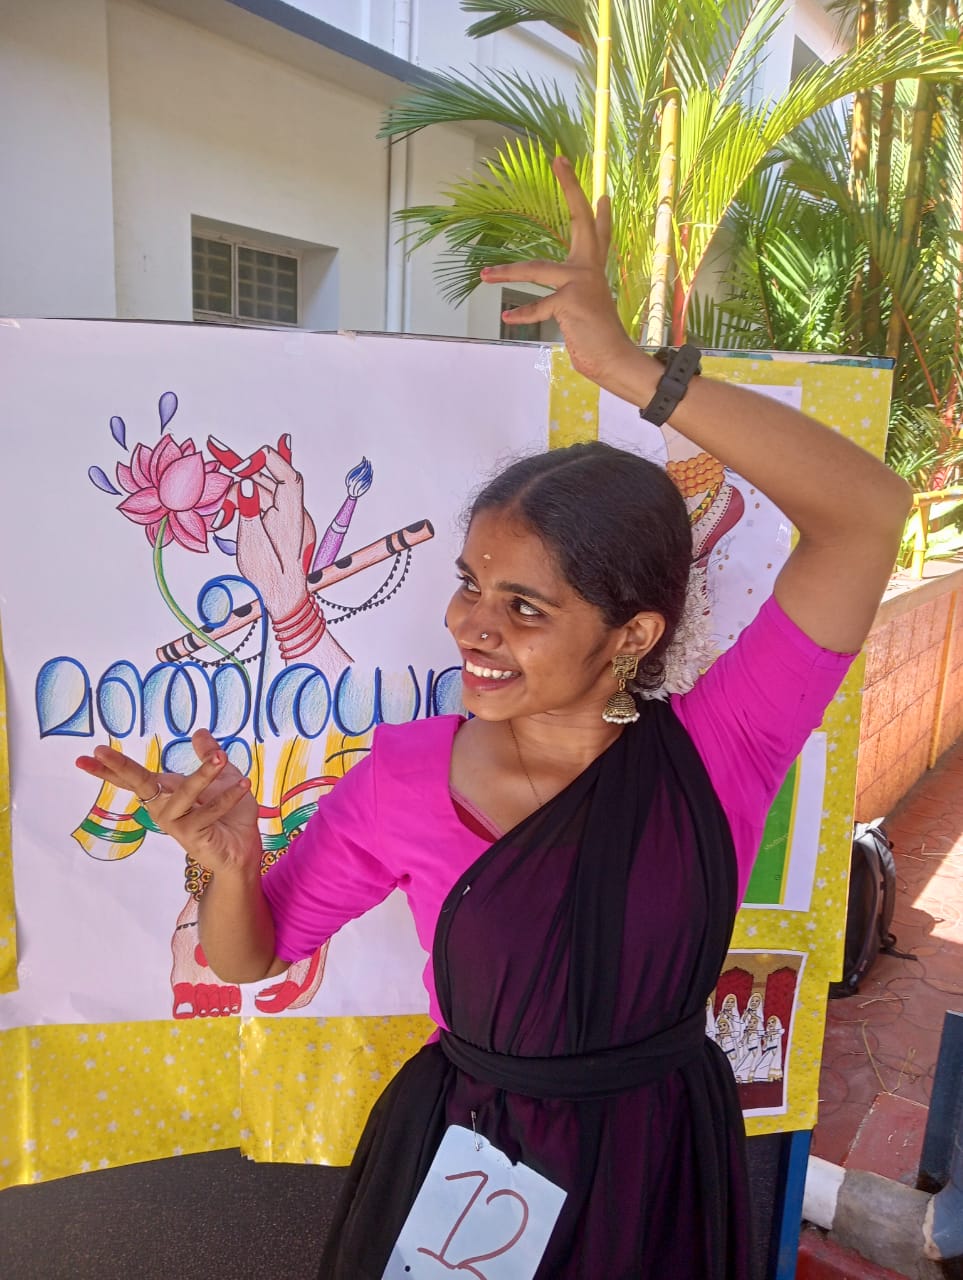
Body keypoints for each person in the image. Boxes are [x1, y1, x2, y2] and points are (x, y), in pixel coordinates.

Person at [75, 157, 910, 1278]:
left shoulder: (720, 751)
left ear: (631, 633)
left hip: (658, 1163)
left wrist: (629, 370)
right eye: (470, 584)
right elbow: (251, 955)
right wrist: (228, 865)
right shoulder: (407, 773)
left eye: (525, 606)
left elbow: (866, 515)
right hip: (467, 1172)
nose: (471, 625)